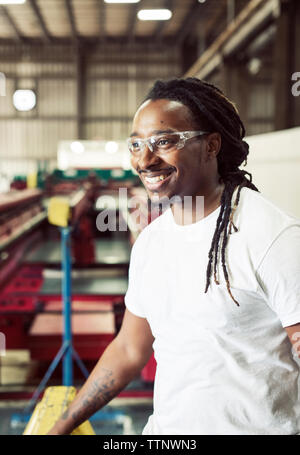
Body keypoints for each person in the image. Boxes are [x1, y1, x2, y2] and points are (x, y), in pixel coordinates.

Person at [48, 77, 300, 435]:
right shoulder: (152, 243)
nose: (146, 160)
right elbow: (129, 350)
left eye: (164, 142)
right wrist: (63, 425)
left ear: (211, 145)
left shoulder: (271, 236)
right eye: (136, 145)